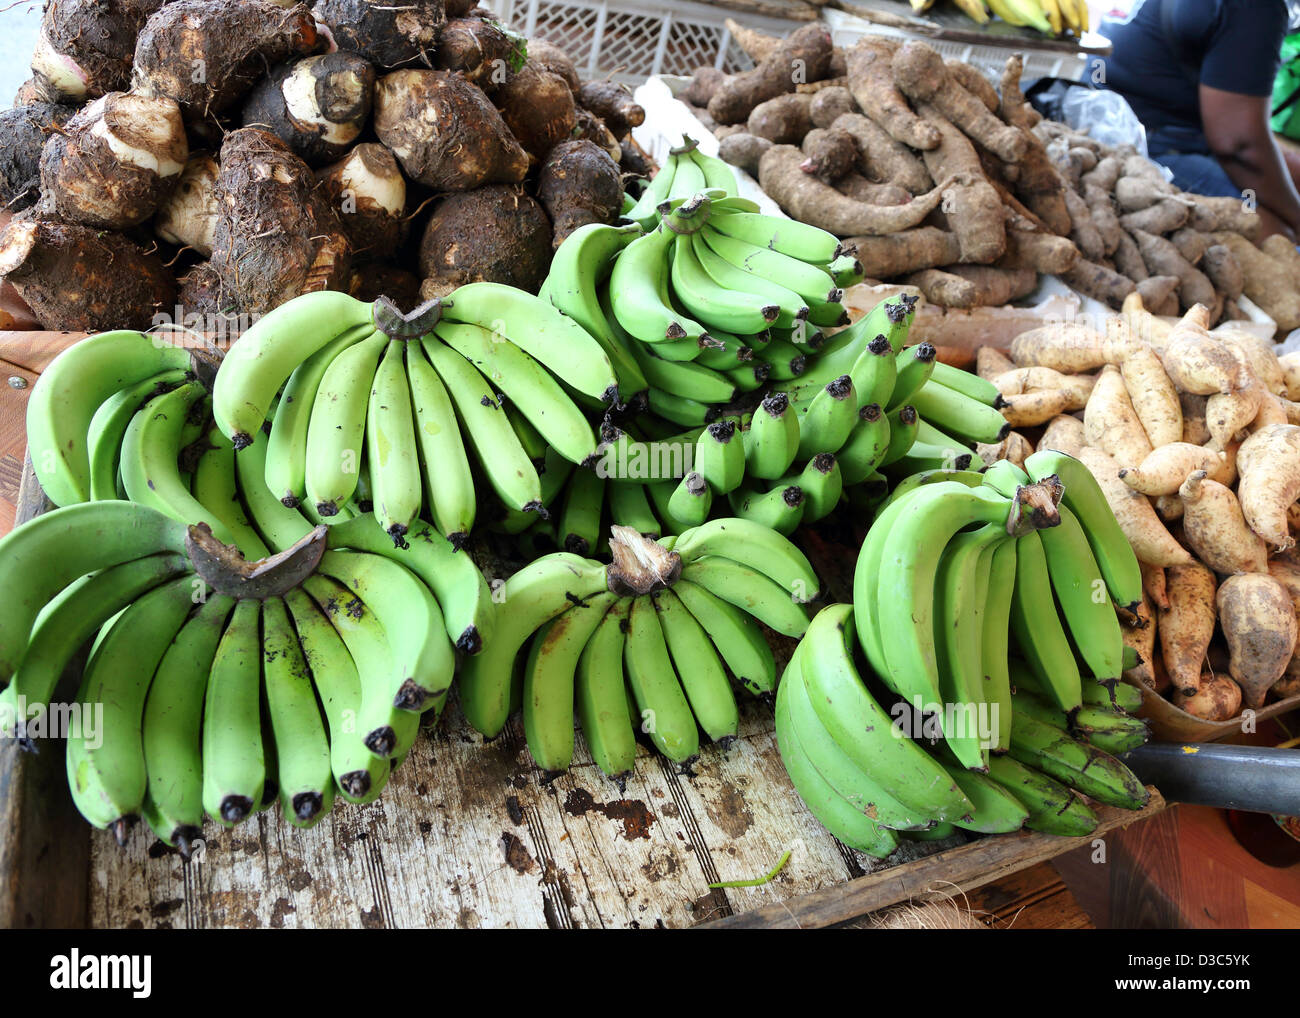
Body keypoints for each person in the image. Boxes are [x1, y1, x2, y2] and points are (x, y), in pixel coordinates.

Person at [1095, 0, 1300, 240]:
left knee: (1289, 169)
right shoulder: (1255, 8)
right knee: (1282, 240)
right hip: (1140, 141)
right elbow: (1238, 147)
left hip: (1103, 103)